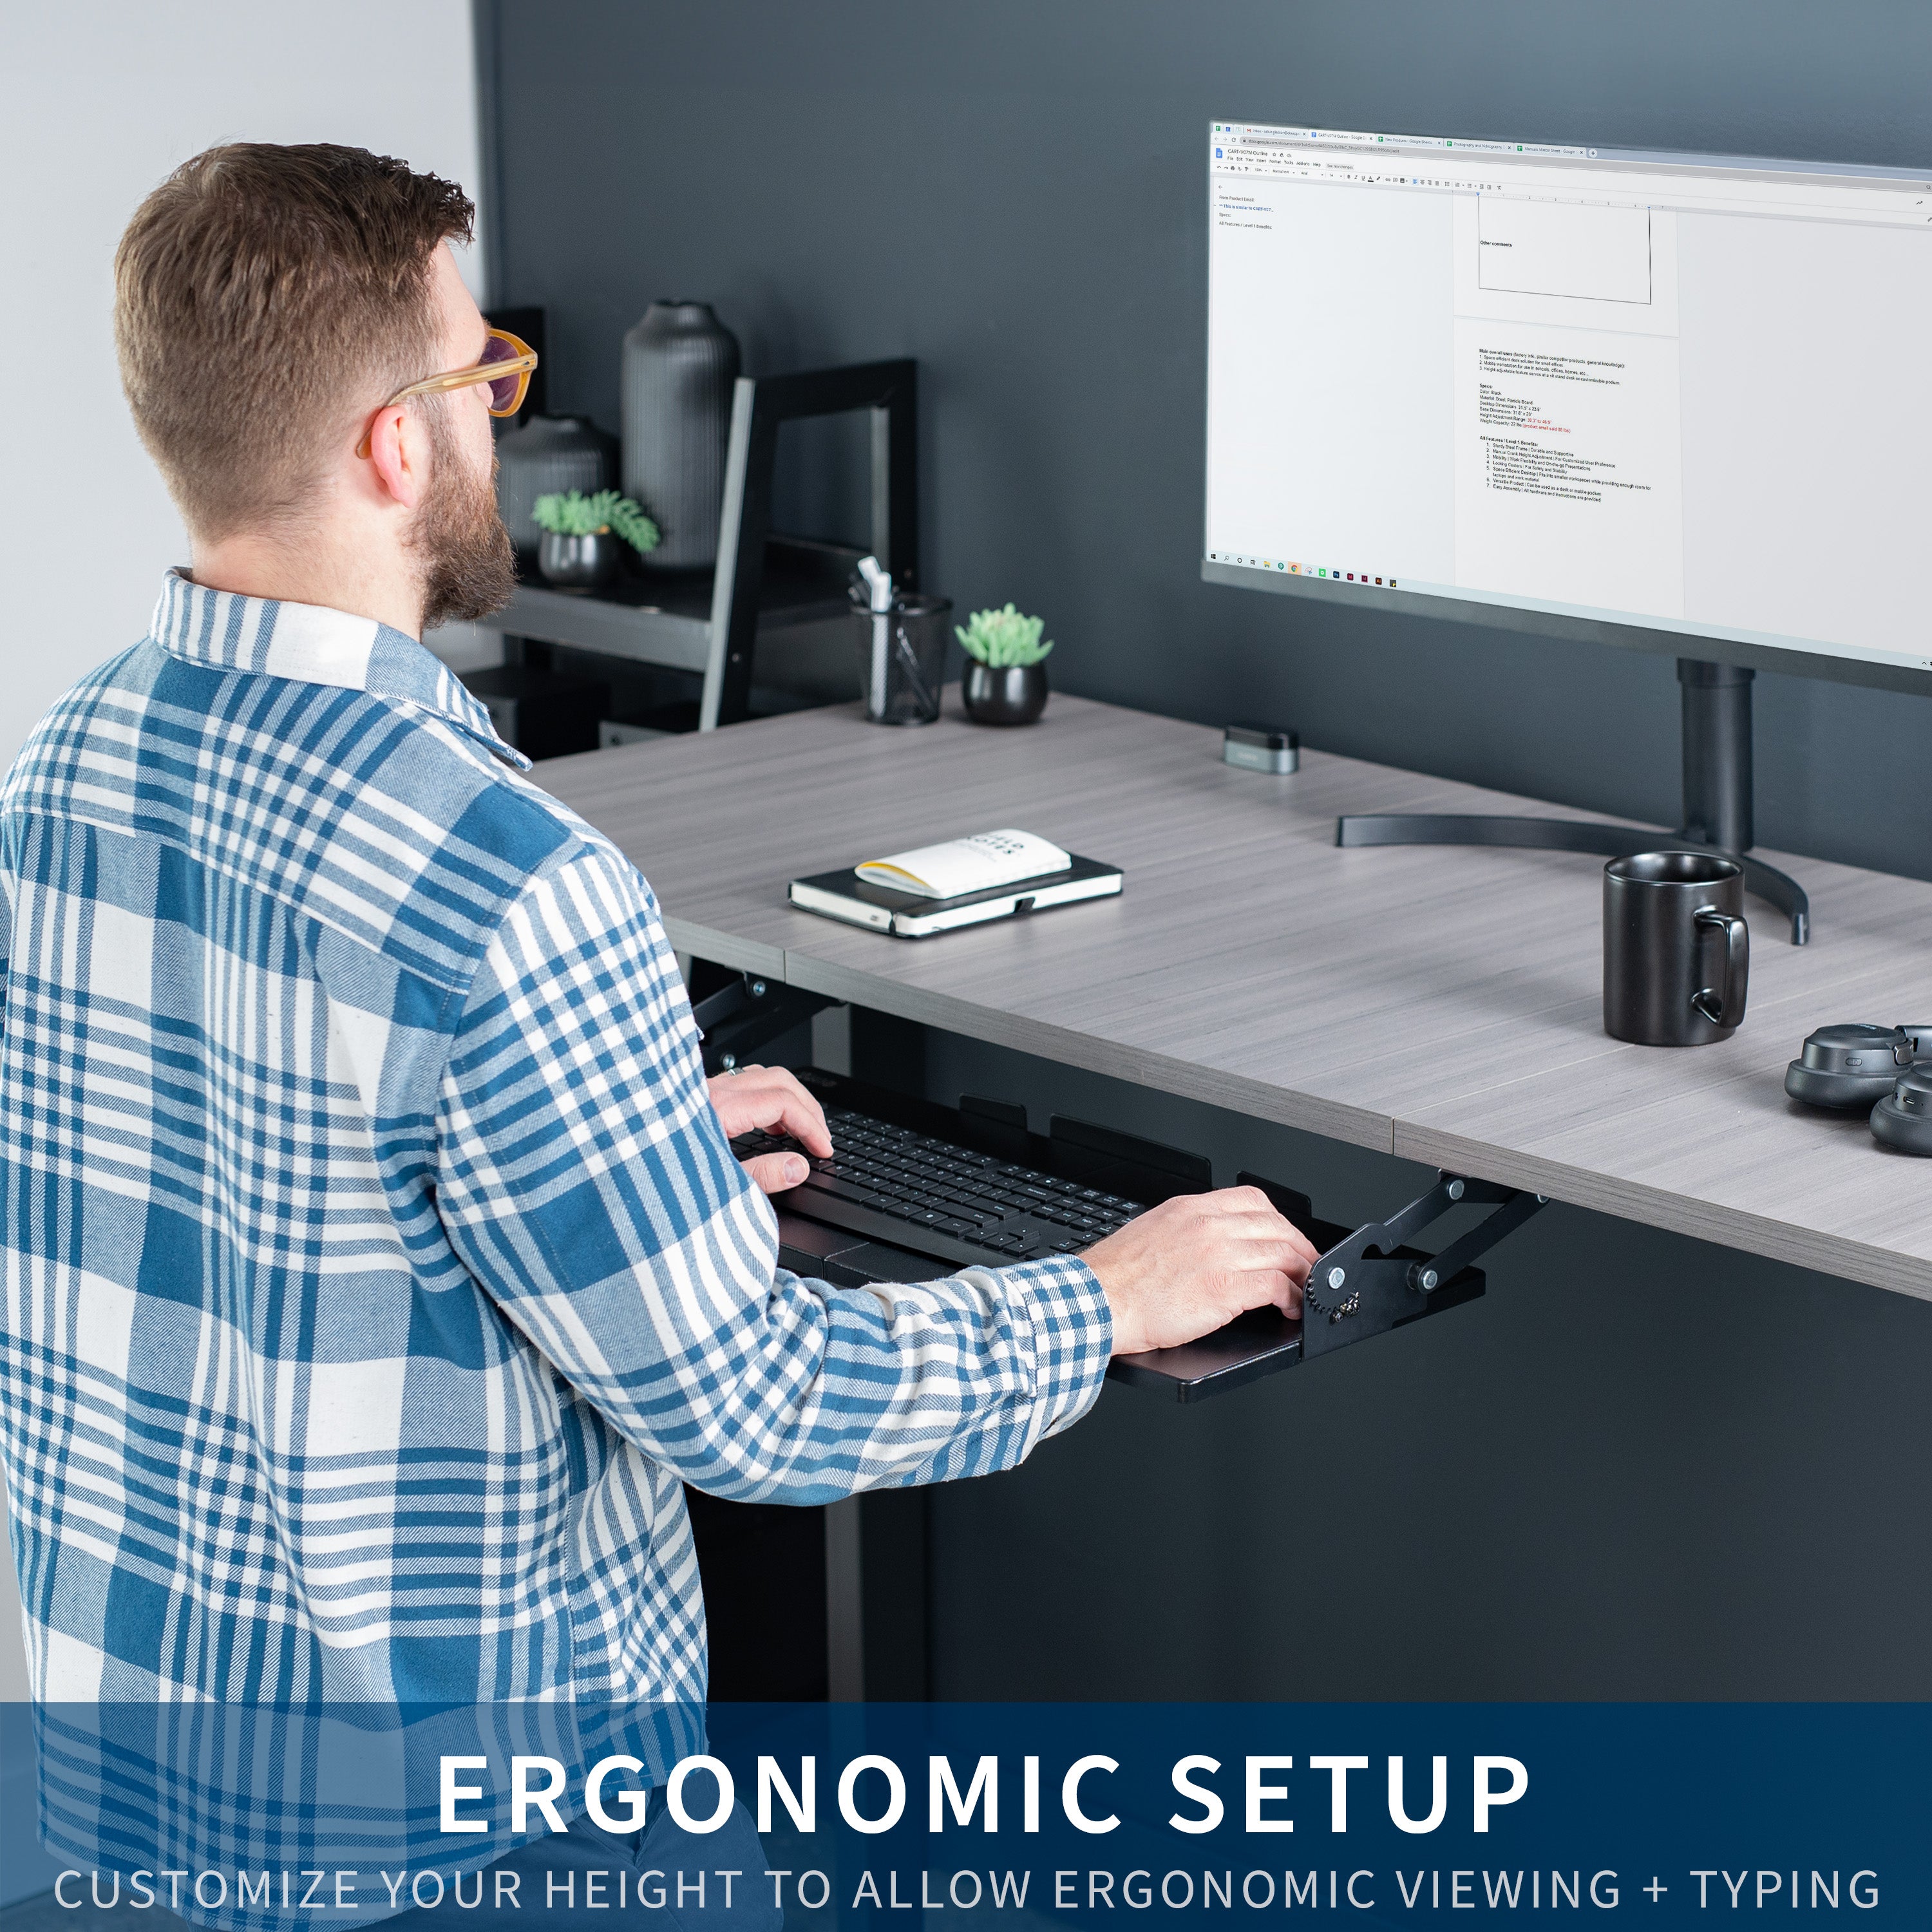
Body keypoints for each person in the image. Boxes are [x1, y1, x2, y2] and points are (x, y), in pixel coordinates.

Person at [0, 143, 1314, 1914]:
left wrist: (603, 1153)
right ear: (396, 448)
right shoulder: (510, 881)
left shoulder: (67, 765)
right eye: (483, 377)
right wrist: (1104, 1298)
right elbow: (757, 1409)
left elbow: (238, 1178)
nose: (497, 416)